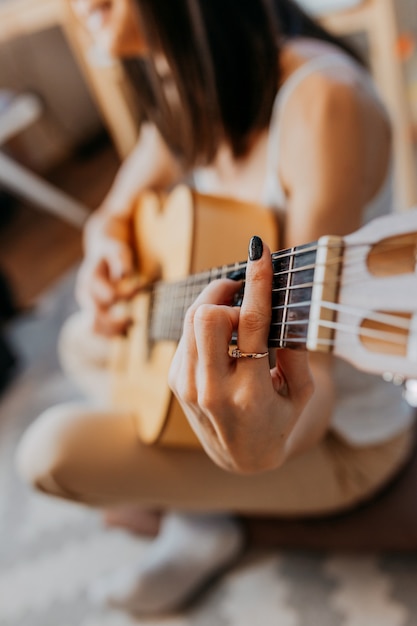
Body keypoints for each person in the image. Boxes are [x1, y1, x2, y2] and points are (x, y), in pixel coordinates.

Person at [15, 0, 417, 616]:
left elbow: (319, 385)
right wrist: (104, 239)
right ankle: (203, 494)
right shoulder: (186, 80)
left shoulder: (321, 104)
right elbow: (118, 205)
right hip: (254, 386)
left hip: (339, 437)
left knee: (49, 454)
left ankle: (208, 518)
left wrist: (256, 454)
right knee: (82, 338)